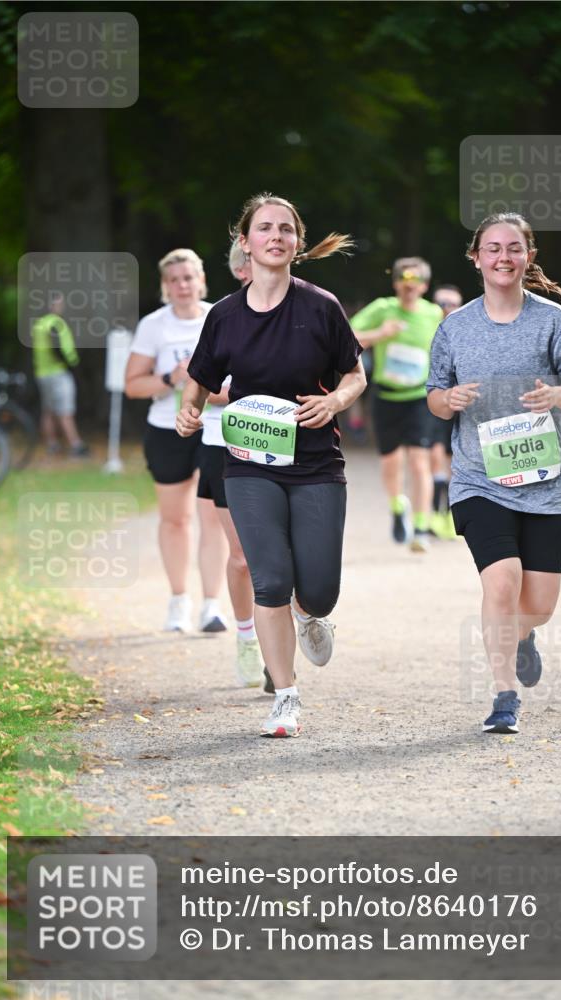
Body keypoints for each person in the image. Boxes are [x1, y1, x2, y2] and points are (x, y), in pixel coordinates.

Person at [177, 193, 366, 738]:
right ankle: (285, 696)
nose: (276, 236)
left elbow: (355, 375)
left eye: (286, 228)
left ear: (297, 243)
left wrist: (335, 401)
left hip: (315, 462)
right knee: (270, 579)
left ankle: (312, 614)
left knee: (320, 589)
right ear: (246, 242)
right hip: (249, 463)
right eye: (265, 228)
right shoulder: (225, 316)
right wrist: (188, 412)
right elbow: (201, 376)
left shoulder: (321, 306)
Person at [427, 213, 561, 735]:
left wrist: (556, 396)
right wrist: (448, 400)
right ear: (476, 257)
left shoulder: (552, 320)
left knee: (539, 606)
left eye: (514, 248)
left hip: (544, 480)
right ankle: (504, 697)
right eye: (493, 248)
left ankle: (523, 636)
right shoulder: (455, 326)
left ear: (528, 257)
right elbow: (434, 396)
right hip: (480, 479)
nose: (504, 257)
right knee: (501, 582)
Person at [125, 249, 229, 635]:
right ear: (164, 287)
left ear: (201, 280)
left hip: (214, 429)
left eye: (188, 278)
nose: (182, 286)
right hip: (167, 430)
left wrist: (209, 389)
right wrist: (172, 378)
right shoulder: (154, 326)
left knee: (213, 519)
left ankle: (212, 606)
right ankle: (178, 602)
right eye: (174, 280)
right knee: (176, 519)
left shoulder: (221, 316)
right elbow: (133, 385)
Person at [193, 238, 264, 687]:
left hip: (286, 445)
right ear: (241, 269)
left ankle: (297, 624)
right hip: (224, 443)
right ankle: (247, 638)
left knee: (287, 553)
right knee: (241, 557)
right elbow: (201, 383)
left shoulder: (305, 311)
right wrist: (250, 395)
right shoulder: (220, 316)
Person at [350, 257, 443, 552]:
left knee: (419, 460)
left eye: (414, 287)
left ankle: (420, 528)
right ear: (396, 285)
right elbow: (346, 337)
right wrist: (380, 334)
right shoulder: (382, 308)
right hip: (386, 396)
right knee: (391, 464)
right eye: (403, 287)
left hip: (418, 397)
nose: (408, 292)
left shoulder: (434, 314)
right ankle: (397, 506)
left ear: (424, 287)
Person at [32, 293, 89, 457]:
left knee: (48, 410)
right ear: (51, 305)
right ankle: (76, 445)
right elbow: (57, 347)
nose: (61, 306)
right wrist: (70, 364)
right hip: (58, 372)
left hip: (42, 372)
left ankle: (52, 444)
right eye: (59, 303)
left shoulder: (39, 324)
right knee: (65, 410)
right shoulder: (55, 323)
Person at [429, 284, 464, 538]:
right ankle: (432, 514)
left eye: (452, 304)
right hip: (428, 402)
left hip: (459, 404)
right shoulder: (425, 329)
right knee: (433, 456)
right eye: (442, 304)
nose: (447, 309)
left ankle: (452, 514)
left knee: (454, 461)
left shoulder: (466, 332)